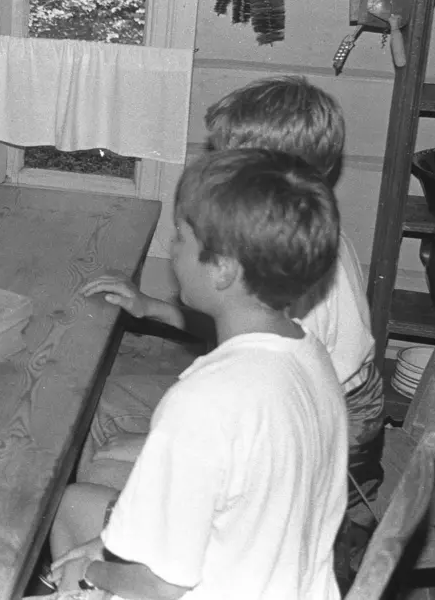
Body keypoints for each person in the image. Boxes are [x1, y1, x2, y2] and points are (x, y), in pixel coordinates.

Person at [76, 75, 383, 583]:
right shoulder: (295, 253)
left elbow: (236, 416)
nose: (215, 168)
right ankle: (116, 517)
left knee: (103, 434)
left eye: (226, 161)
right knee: (109, 410)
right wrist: (151, 308)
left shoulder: (300, 310)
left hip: (326, 440)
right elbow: (240, 319)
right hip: (308, 421)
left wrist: (96, 560)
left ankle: (110, 524)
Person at [49, 148, 348, 598]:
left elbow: (161, 587)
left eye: (182, 238)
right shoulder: (310, 355)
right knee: (73, 505)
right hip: (284, 581)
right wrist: (99, 547)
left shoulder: (202, 401)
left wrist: (93, 572)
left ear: (223, 269)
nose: (172, 248)